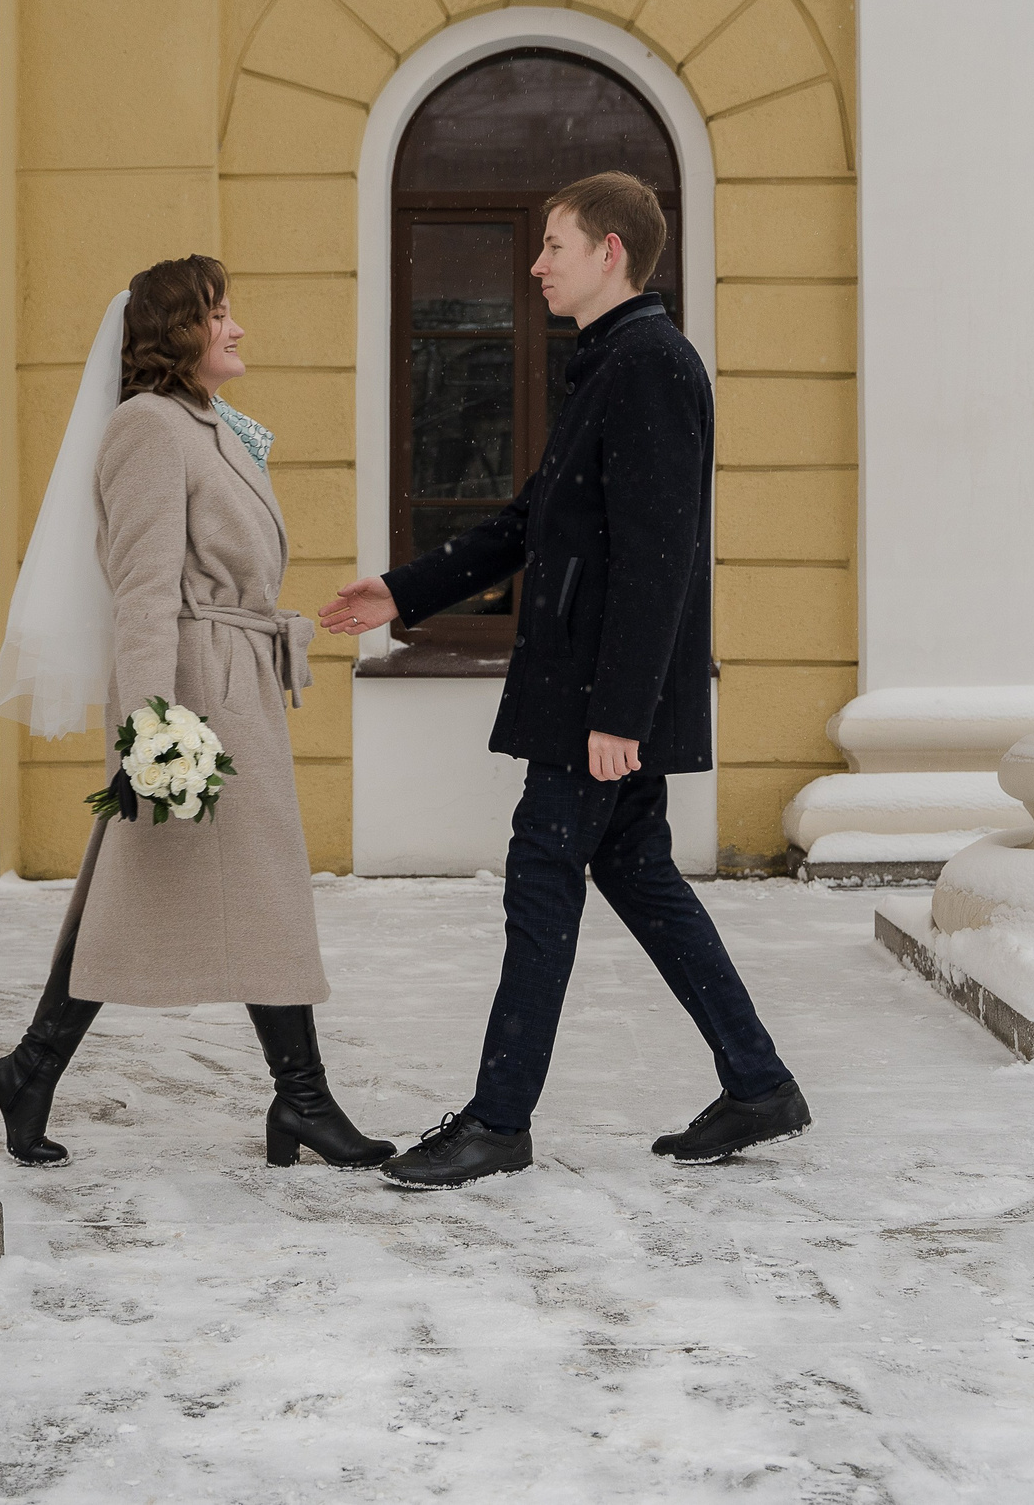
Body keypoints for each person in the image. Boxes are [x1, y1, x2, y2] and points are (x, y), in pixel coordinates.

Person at [320, 172, 808, 1190]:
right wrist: (399, 591)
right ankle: (757, 1082)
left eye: (552, 245)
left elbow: (657, 555)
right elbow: (526, 523)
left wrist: (621, 714)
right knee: (638, 876)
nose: (535, 264)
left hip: (598, 702)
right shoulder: (609, 364)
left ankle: (498, 1122)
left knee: (542, 885)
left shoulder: (651, 367)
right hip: (588, 694)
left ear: (610, 253)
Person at [0, 254, 392, 1171]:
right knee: (213, 885)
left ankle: (33, 1069)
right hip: (201, 687)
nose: (237, 327)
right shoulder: (149, 429)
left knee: (165, 883)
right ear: (175, 334)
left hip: (233, 677)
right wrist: (153, 723)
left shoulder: (204, 423)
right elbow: (145, 589)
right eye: (219, 313)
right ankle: (301, 1103)